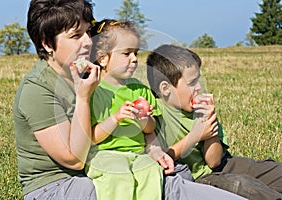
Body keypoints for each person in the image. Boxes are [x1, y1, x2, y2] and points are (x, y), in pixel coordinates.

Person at [146, 44, 282, 200]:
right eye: (192, 83)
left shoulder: (200, 109)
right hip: (197, 178)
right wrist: (197, 135)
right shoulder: (155, 113)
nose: (199, 87)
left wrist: (209, 124)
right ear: (165, 88)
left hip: (224, 164)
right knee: (243, 186)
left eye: (198, 80)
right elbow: (161, 159)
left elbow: (214, 161)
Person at [13, 0, 100, 199]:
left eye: (87, 32)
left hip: (91, 172)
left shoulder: (86, 72)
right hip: (53, 186)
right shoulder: (36, 90)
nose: (87, 42)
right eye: (76, 36)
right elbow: (74, 159)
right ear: (46, 43)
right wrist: (83, 98)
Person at [85, 19, 174, 200]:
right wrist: (115, 118)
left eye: (136, 54)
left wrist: (144, 121)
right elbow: (91, 137)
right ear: (103, 58)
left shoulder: (139, 90)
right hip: (104, 155)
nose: (134, 59)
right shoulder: (93, 90)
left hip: (137, 153)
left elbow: (150, 130)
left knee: (150, 171)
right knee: (119, 175)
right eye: (126, 53)